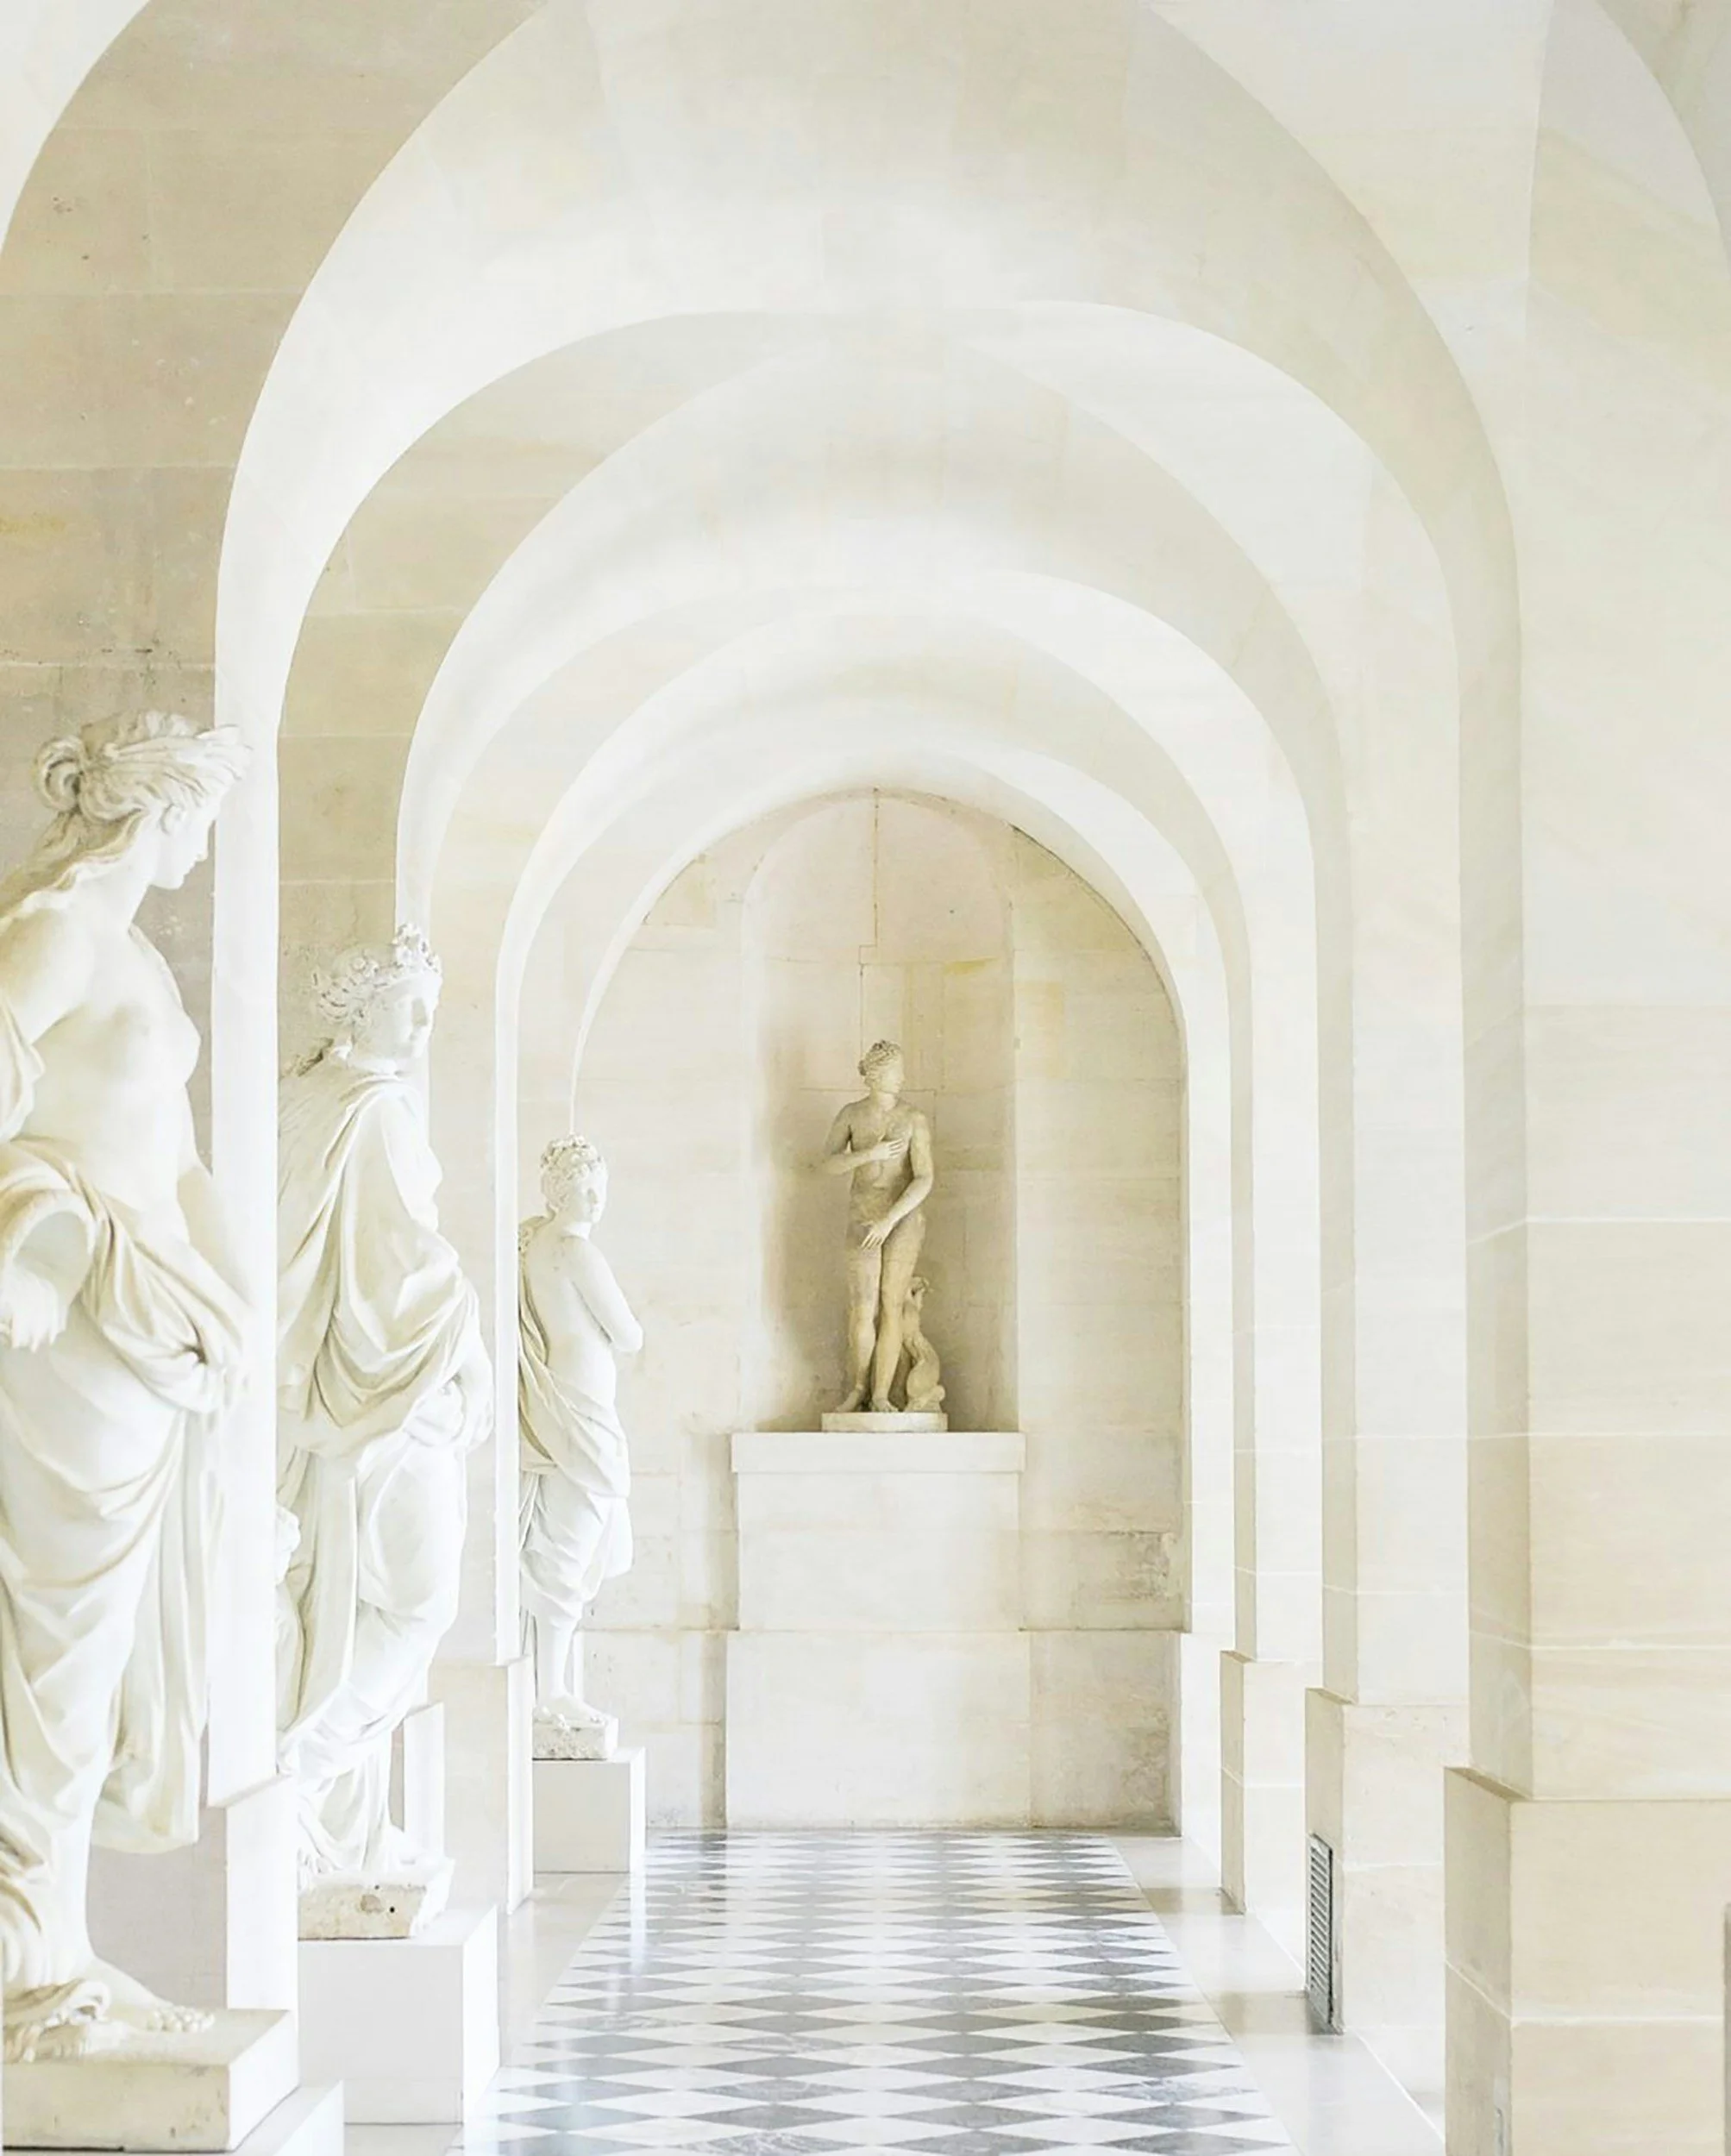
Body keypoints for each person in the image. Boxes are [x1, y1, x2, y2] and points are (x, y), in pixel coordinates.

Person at [0, 710, 250, 2062]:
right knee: (53, 1658)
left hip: (157, 1330)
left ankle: (59, 1944)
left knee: (94, 1672)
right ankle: (22, 1964)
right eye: (201, 814)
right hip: (75, 1324)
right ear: (157, 808)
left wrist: (237, 1308)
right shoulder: (56, 934)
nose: (207, 843)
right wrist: (21, 1259)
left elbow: (186, 1160)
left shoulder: (139, 956)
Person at [276, 926, 491, 1896]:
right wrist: (470, 1336)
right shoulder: (375, 1109)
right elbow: (404, 1268)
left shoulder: (300, 1100)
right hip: (389, 1397)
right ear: (361, 1006)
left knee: (348, 1601)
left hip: (322, 1400)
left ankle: (343, 1826)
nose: (423, 1027)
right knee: (414, 1600)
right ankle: (297, 1776)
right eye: (411, 1006)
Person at [518, 1137, 641, 1752]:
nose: (593, 1201)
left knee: (566, 1541)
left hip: (567, 1399)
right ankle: (548, 1690)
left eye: (599, 1188)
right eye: (582, 1189)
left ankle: (550, 1685)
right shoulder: (573, 1248)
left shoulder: (537, 1244)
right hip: (581, 1406)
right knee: (569, 1546)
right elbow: (628, 1333)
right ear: (556, 1193)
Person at [817, 1040, 934, 1413]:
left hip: (902, 1219)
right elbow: (827, 1164)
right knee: (862, 1306)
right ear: (877, 1075)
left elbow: (924, 1178)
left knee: (892, 1303)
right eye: (896, 1071)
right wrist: (870, 1153)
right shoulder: (852, 1114)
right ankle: (858, 1388)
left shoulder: (913, 1119)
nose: (902, 1079)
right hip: (864, 1215)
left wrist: (890, 1219)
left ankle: (881, 1393)